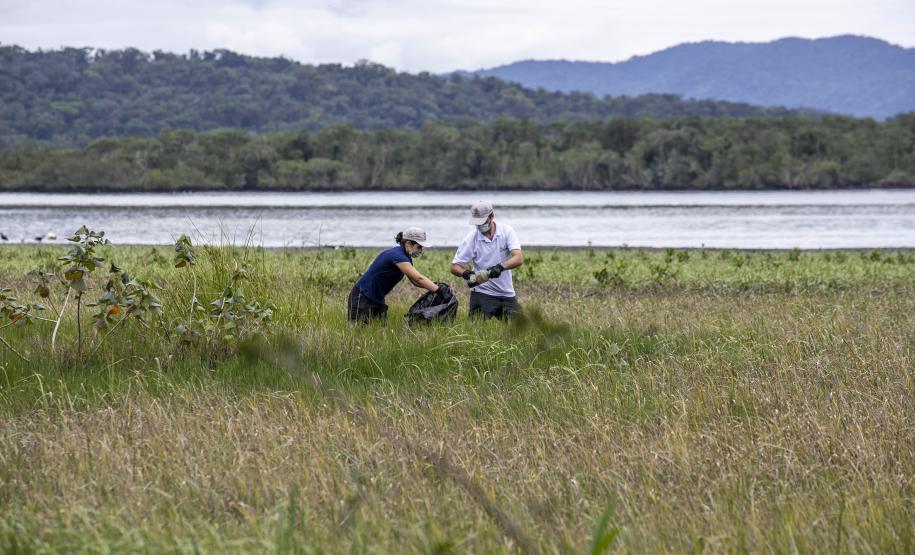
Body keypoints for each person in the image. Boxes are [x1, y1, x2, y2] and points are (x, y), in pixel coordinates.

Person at [348, 227, 444, 323]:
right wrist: (440, 291)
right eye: (419, 247)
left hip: (377, 299)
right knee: (358, 332)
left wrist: (436, 288)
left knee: (379, 332)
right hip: (362, 297)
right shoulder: (398, 256)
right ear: (409, 243)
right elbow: (418, 278)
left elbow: (415, 282)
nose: (421, 250)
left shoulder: (406, 257)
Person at [450, 201, 524, 319]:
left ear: (491, 216)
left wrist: (500, 267)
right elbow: (455, 267)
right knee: (476, 332)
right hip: (481, 292)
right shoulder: (471, 239)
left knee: (522, 329)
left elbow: (518, 258)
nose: (479, 226)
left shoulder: (507, 231)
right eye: (477, 223)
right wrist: (465, 273)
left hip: (507, 293)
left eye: (482, 222)